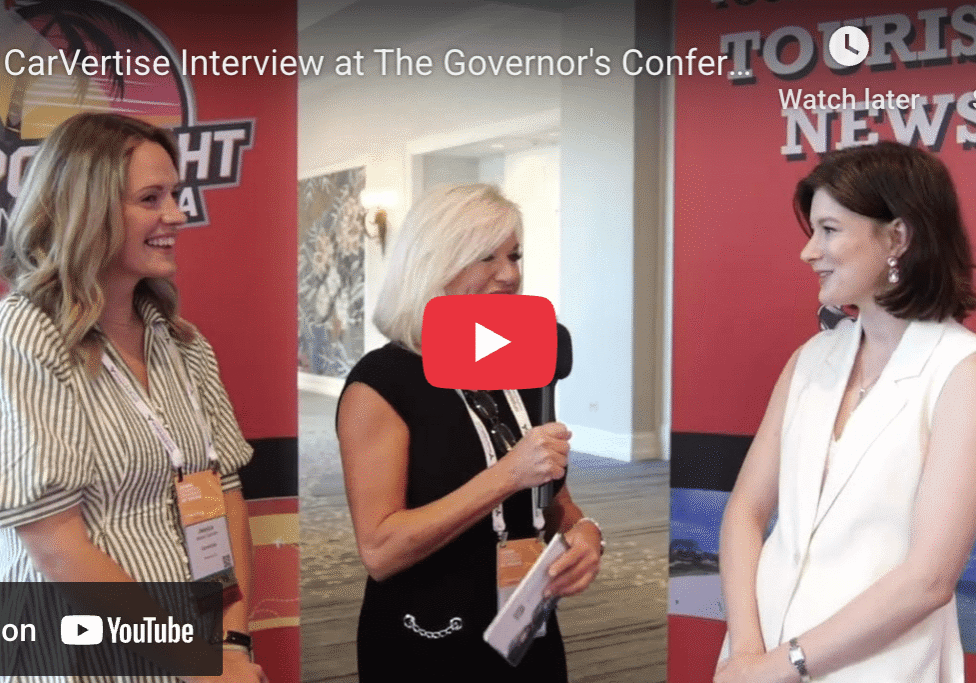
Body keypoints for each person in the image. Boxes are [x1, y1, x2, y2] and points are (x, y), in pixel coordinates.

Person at [0, 113, 265, 683]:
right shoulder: (25, 334)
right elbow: (56, 545)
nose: (177, 214)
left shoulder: (182, 343)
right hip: (80, 654)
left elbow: (225, 496)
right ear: (86, 209)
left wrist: (233, 640)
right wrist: (197, 662)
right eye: (152, 198)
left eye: (175, 194)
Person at [716, 141, 976, 683]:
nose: (809, 252)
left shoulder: (959, 371)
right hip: (759, 657)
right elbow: (745, 510)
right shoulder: (812, 359)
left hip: (878, 667)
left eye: (829, 230)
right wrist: (746, 651)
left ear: (897, 238)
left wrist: (785, 664)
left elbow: (929, 579)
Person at [337, 184, 603, 682]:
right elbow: (381, 550)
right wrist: (505, 476)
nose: (511, 274)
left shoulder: (521, 363)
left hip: (526, 628)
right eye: (487, 257)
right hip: (429, 639)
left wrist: (585, 534)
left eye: (515, 255)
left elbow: (552, 499)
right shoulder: (382, 382)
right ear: (434, 264)